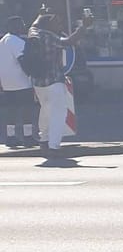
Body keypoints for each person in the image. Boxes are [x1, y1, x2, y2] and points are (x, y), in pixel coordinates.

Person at [25, 10, 91, 151]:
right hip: (53, 81)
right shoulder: (49, 37)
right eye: (57, 22)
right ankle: (53, 146)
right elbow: (69, 42)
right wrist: (83, 27)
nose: (60, 25)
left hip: (38, 82)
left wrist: (39, 14)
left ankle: (44, 139)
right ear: (48, 24)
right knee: (59, 113)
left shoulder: (33, 32)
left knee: (45, 110)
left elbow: (34, 24)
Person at [1, 15, 36, 148]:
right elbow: (23, 59)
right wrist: (31, 73)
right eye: (20, 24)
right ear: (12, 26)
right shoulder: (16, 41)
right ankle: (27, 137)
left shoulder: (3, 41)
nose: (23, 26)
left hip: (7, 82)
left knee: (11, 109)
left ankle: (10, 137)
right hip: (21, 80)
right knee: (27, 108)